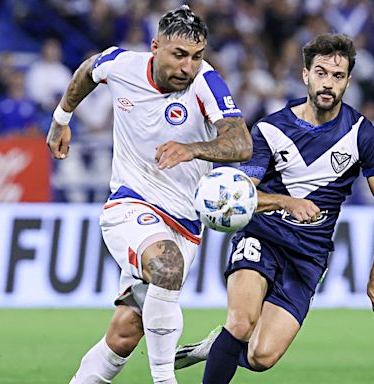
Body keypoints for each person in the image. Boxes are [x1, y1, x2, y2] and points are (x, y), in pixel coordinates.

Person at [175, 33, 374, 383]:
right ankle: (229, 338)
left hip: (309, 255)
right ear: (305, 75)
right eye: (321, 73)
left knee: (261, 356)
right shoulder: (269, 129)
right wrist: (285, 202)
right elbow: (239, 197)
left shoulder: (362, 135)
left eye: (337, 76)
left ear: (348, 82)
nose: (328, 83)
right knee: (241, 321)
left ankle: (218, 346)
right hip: (261, 237)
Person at [46, 6, 252, 384]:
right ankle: (164, 379)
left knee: (126, 332)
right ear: (155, 47)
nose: (188, 67)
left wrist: (193, 149)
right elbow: (88, 70)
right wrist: (62, 119)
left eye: (196, 57)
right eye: (178, 55)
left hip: (186, 222)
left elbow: (241, 142)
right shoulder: (122, 65)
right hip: (129, 203)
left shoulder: (205, 82)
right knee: (167, 266)